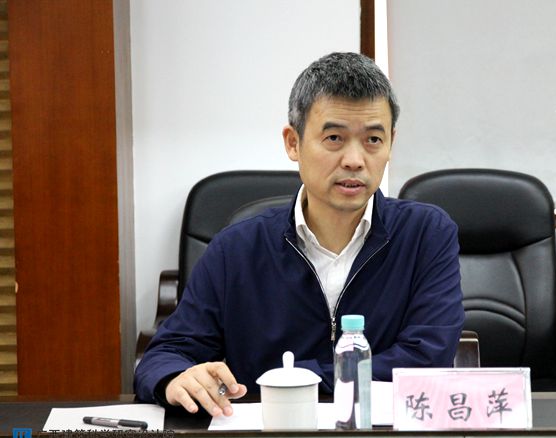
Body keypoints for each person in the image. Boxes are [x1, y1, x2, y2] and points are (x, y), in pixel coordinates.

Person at [134, 52, 464, 417]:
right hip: (266, 433)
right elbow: (164, 355)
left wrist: (298, 379)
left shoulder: (426, 234)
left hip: (382, 433)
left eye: (373, 139)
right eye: (334, 137)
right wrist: (176, 378)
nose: (355, 160)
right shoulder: (236, 248)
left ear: (391, 144)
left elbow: (426, 359)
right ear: (293, 143)